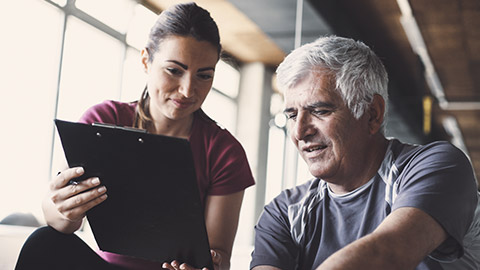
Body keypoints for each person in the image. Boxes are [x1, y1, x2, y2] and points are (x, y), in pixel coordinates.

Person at [15, 2, 254, 270]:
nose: (188, 90)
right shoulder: (104, 120)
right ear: (145, 61)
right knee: (44, 241)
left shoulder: (224, 151)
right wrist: (63, 208)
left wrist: (209, 264)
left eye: (204, 75)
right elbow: (59, 220)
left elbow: (218, 254)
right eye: (174, 70)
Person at [250, 35, 480, 270]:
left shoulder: (438, 167)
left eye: (319, 111)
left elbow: (387, 254)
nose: (299, 131)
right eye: (291, 115)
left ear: (372, 114)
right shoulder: (285, 213)